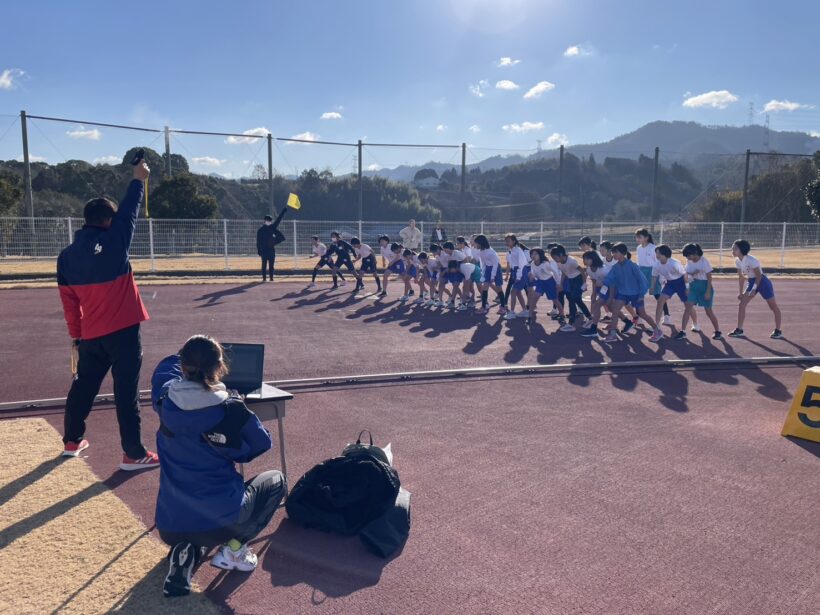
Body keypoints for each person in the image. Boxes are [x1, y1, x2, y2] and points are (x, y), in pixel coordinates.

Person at [151, 335, 286, 597]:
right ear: (219, 368)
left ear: (183, 366)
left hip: (169, 524)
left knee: (193, 516)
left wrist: (188, 352)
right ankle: (234, 549)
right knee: (276, 480)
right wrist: (236, 410)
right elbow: (261, 445)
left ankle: (187, 550)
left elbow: (163, 370)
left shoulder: (165, 399)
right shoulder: (230, 409)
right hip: (220, 522)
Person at [57, 160, 159, 471]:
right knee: (126, 391)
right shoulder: (115, 242)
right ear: (108, 221)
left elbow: (69, 302)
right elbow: (129, 212)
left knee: (83, 387)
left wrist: (76, 335)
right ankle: (132, 453)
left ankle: (72, 441)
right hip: (124, 331)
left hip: (90, 334)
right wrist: (139, 179)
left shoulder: (66, 256)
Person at [601, 243, 663, 343]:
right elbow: (610, 279)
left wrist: (641, 295)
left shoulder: (632, 265)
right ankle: (613, 334)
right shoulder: (615, 267)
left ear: (623, 253)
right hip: (623, 293)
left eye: (615, 252)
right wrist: (603, 283)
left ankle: (657, 330)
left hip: (636, 293)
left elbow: (642, 281)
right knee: (615, 309)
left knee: (642, 314)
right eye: (613, 253)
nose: (613, 255)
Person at [729, 239, 783, 339]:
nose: (732, 249)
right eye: (732, 247)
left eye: (735, 248)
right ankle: (739, 330)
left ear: (742, 249)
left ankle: (778, 330)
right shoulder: (737, 261)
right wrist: (740, 292)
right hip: (751, 281)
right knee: (742, 304)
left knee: (773, 306)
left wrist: (754, 289)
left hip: (763, 282)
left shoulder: (751, 260)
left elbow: (759, 276)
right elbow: (741, 277)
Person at [679, 243, 722, 340]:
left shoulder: (704, 261)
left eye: (688, 255)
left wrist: (707, 292)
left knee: (708, 311)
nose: (687, 257)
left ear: (695, 253)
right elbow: (687, 273)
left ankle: (717, 331)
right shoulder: (689, 261)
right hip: (693, 286)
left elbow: (709, 277)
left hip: (705, 286)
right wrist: (687, 287)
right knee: (688, 308)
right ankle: (682, 331)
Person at [549, 244, 592, 331]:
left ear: (561, 255)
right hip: (571, 280)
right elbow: (564, 272)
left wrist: (584, 283)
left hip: (578, 280)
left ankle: (571, 324)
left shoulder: (571, 261)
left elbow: (582, 271)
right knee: (577, 300)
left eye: (555, 257)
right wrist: (561, 284)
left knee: (572, 299)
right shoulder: (559, 263)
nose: (555, 260)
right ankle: (590, 318)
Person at [650, 245, 688, 335]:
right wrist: (652, 287)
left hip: (681, 283)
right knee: (660, 301)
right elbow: (654, 277)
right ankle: (657, 325)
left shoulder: (674, 263)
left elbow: (684, 275)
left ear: (665, 253)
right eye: (656, 253)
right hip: (670, 284)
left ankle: (695, 323)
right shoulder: (656, 265)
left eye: (658, 253)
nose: (657, 255)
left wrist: (687, 287)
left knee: (688, 305)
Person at [635, 228, 671, 324]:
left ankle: (667, 315)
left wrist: (661, 277)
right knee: (638, 294)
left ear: (646, 238)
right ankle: (638, 317)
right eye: (636, 237)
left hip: (653, 272)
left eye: (639, 237)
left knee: (657, 295)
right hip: (642, 272)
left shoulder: (653, 248)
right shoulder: (638, 248)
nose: (637, 239)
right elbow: (639, 261)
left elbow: (658, 263)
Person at [474, 234, 506, 315]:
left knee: (499, 288)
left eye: (476, 243)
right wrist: (483, 274)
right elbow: (483, 264)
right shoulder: (481, 252)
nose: (475, 245)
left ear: (481, 243)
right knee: (485, 288)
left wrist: (492, 276)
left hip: (496, 269)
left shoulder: (491, 252)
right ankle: (484, 307)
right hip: (488, 269)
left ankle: (503, 306)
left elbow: (495, 264)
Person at [256, 213, 285, 282]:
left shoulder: (272, 228)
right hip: (264, 250)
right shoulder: (260, 230)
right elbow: (258, 241)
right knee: (264, 265)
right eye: (267, 220)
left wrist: (283, 211)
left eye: (270, 220)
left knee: (271, 265)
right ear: (264, 221)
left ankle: (271, 278)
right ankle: (264, 278)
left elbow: (278, 220)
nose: (268, 221)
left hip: (271, 249)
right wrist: (258, 250)